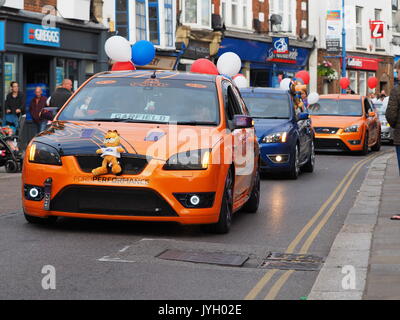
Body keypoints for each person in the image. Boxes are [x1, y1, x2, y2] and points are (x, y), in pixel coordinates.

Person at [385, 62, 400, 220]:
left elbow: (391, 114)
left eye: (398, 71)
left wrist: (395, 126)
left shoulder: (397, 90)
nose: (396, 74)